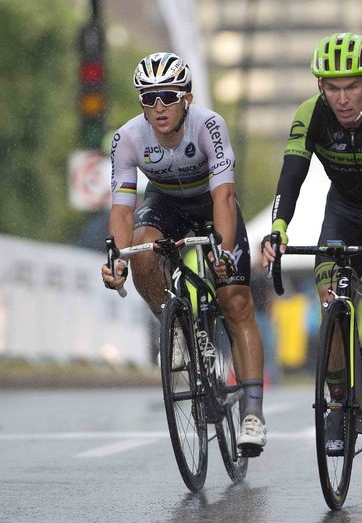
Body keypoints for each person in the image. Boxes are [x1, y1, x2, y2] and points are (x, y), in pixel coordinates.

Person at [261, 33, 362, 455]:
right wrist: (278, 227)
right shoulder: (310, 115)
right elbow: (291, 177)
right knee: (329, 294)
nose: (343, 98)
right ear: (320, 88)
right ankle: (338, 404)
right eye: (333, 87)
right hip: (343, 209)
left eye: (351, 86)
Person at [100, 52, 267, 454]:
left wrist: (222, 253)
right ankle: (175, 328)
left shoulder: (209, 125)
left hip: (212, 202)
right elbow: (122, 209)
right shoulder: (127, 138)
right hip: (166, 203)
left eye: (168, 95)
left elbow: (224, 196)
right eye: (149, 96)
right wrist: (118, 259)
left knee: (235, 300)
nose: (159, 106)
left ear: (186, 97)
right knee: (141, 248)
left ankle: (252, 413)